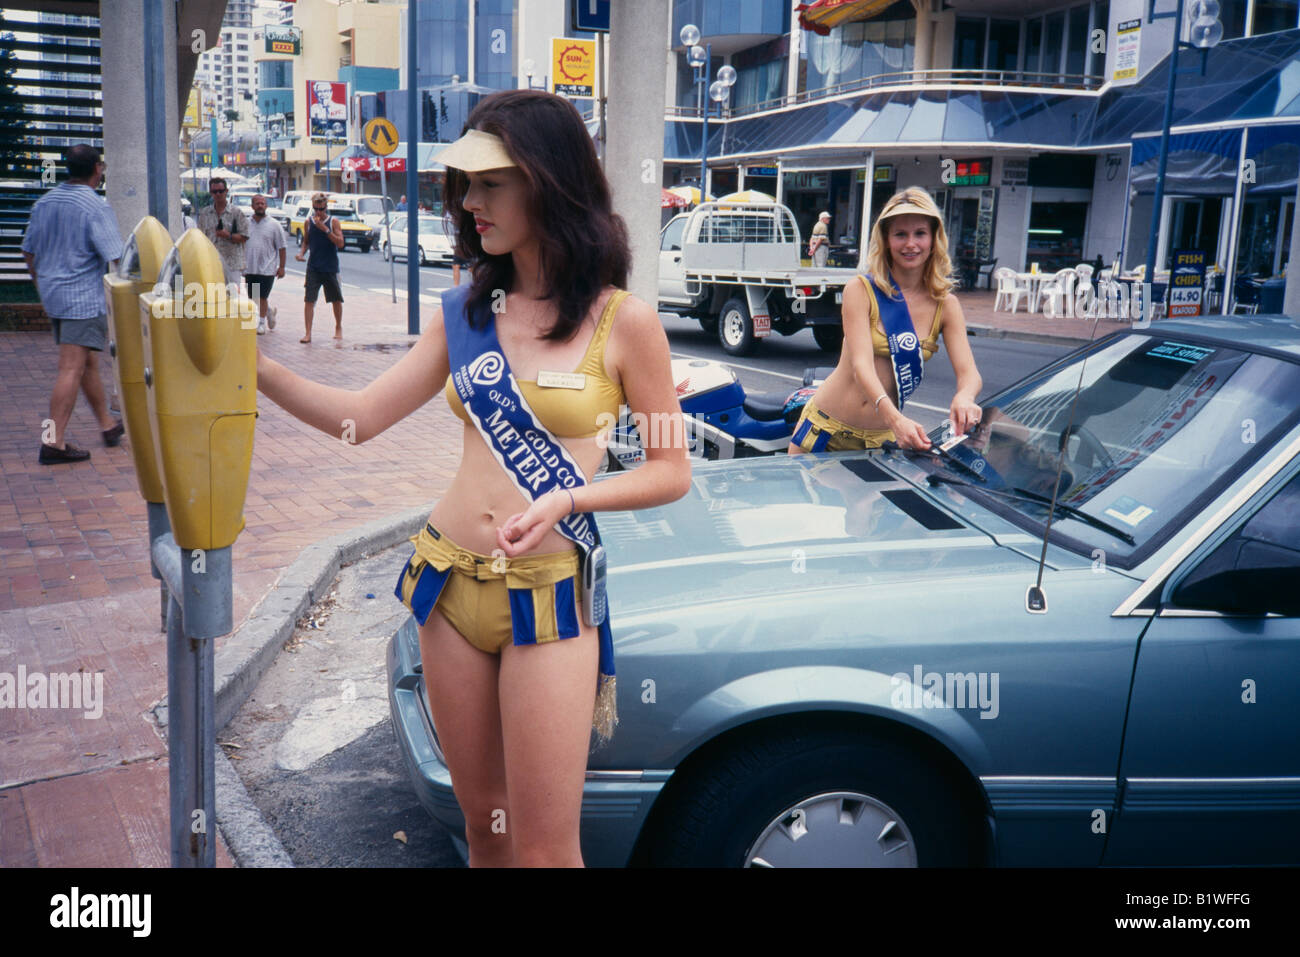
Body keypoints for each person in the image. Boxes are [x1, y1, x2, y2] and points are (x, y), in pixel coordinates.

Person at [256, 89, 690, 866]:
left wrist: (570, 495)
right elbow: (359, 419)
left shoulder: (625, 322)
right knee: (482, 826)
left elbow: (670, 470)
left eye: (491, 183)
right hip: (447, 587)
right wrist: (251, 368)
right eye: (466, 183)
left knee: (548, 847)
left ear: (547, 181)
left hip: (550, 597)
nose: (468, 201)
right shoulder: (465, 312)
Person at [789, 187, 982, 455]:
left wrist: (965, 396)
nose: (911, 244)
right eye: (900, 234)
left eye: (920, 234)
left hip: (880, 440)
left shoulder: (946, 305)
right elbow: (861, 366)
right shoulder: (860, 290)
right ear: (886, 240)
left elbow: (970, 373)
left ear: (934, 239)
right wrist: (896, 419)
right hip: (825, 429)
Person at [22, 144, 125, 464]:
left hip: (53, 295)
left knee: (85, 364)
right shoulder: (94, 206)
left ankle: (108, 426)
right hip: (81, 297)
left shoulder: (45, 202)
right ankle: (52, 442)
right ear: (97, 169)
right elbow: (116, 255)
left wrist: (43, 285)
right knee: (70, 368)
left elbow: (28, 251)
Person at [293, 191, 344, 343]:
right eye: (316, 209)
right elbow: (306, 241)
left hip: (330, 266)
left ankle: (338, 326)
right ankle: (308, 333)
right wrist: (301, 253)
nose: (318, 212)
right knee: (309, 299)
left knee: (335, 299)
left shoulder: (333, 222)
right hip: (313, 266)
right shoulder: (309, 222)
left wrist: (325, 229)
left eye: (321, 209)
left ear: (326, 208)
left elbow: (340, 243)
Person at [244, 194, 286, 335]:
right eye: (257, 203)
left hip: (268, 268)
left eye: (262, 203)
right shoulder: (245, 223)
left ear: (266, 206)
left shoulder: (274, 225)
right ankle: (268, 312)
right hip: (251, 267)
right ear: (252, 206)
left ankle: (261, 323)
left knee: (262, 296)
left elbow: (282, 247)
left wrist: (281, 267)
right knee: (254, 297)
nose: (260, 206)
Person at [196, 177, 249, 286]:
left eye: (221, 191)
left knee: (233, 297)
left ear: (226, 191)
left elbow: (244, 237)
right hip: (211, 263)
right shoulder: (205, 213)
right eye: (215, 191)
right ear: (211, 193)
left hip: (232, 264)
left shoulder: (237, 213)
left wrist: (228, 235)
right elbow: (200, 238)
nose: (218, 194)